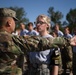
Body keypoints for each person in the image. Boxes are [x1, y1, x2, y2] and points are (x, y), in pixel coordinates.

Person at [0, 8, 76, 75]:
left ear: (47, 25)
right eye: (37, 22)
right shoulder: (32, 40)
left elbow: (55, 63)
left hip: (44, 71)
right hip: (32, 70)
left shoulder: (53, 41)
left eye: (41, 22)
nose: (38, 25)